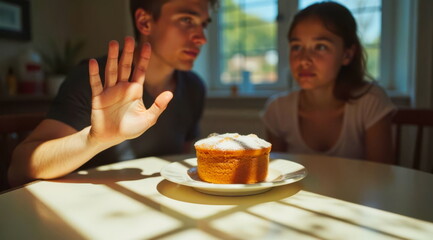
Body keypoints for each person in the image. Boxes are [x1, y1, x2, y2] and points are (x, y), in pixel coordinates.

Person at [8, 0, 219, 187]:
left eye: (204, 24)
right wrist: (94, 140)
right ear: (145, 22)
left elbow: (181, 161)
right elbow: (18, 170)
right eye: (187, 20)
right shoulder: (94, 81)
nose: (202, 38)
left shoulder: (194, 87)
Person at [262, 2, 395, 163]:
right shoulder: (278, 109)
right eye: (297, 47)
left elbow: (381, 175)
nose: (304, 60)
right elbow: (276, 174)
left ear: (347, 54)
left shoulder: (370, 102)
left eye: (320, 47)